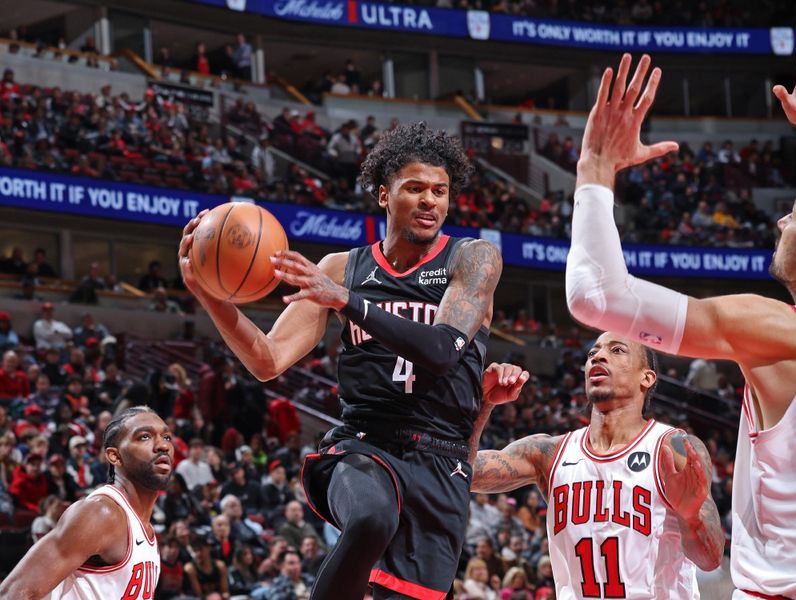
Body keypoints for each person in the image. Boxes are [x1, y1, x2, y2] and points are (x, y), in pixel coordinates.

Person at [179, 121, 505, 599]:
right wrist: (210, 296)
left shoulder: (473, 259)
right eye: (415, 188)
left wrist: (345, 301)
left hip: (443, 460)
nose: (430, 200)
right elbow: (268, 360)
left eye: (441, 190)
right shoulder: (341, 268)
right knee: (372, 518)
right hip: (366, 444)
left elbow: (441, 351)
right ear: (383, 195)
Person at [563, 51, 796, 599]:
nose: (782, 219)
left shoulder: (781, 332)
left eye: (795, 211)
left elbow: (596, 295)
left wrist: (595, 168)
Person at [470, 335, 724, 599]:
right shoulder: (549, 453)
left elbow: (710, 559)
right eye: (592, 353)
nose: (598, 357)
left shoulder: (673, 449)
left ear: (646, 378)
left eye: (617, 350)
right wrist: (482, 404)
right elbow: (463, 473)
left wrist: (691, 516)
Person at [0, 406, 175, 598]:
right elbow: (13, 593)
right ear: (114, 456)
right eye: (144, 436)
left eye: (167, 437)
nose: (162, 445)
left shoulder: (146, 529)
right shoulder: (100, 513)